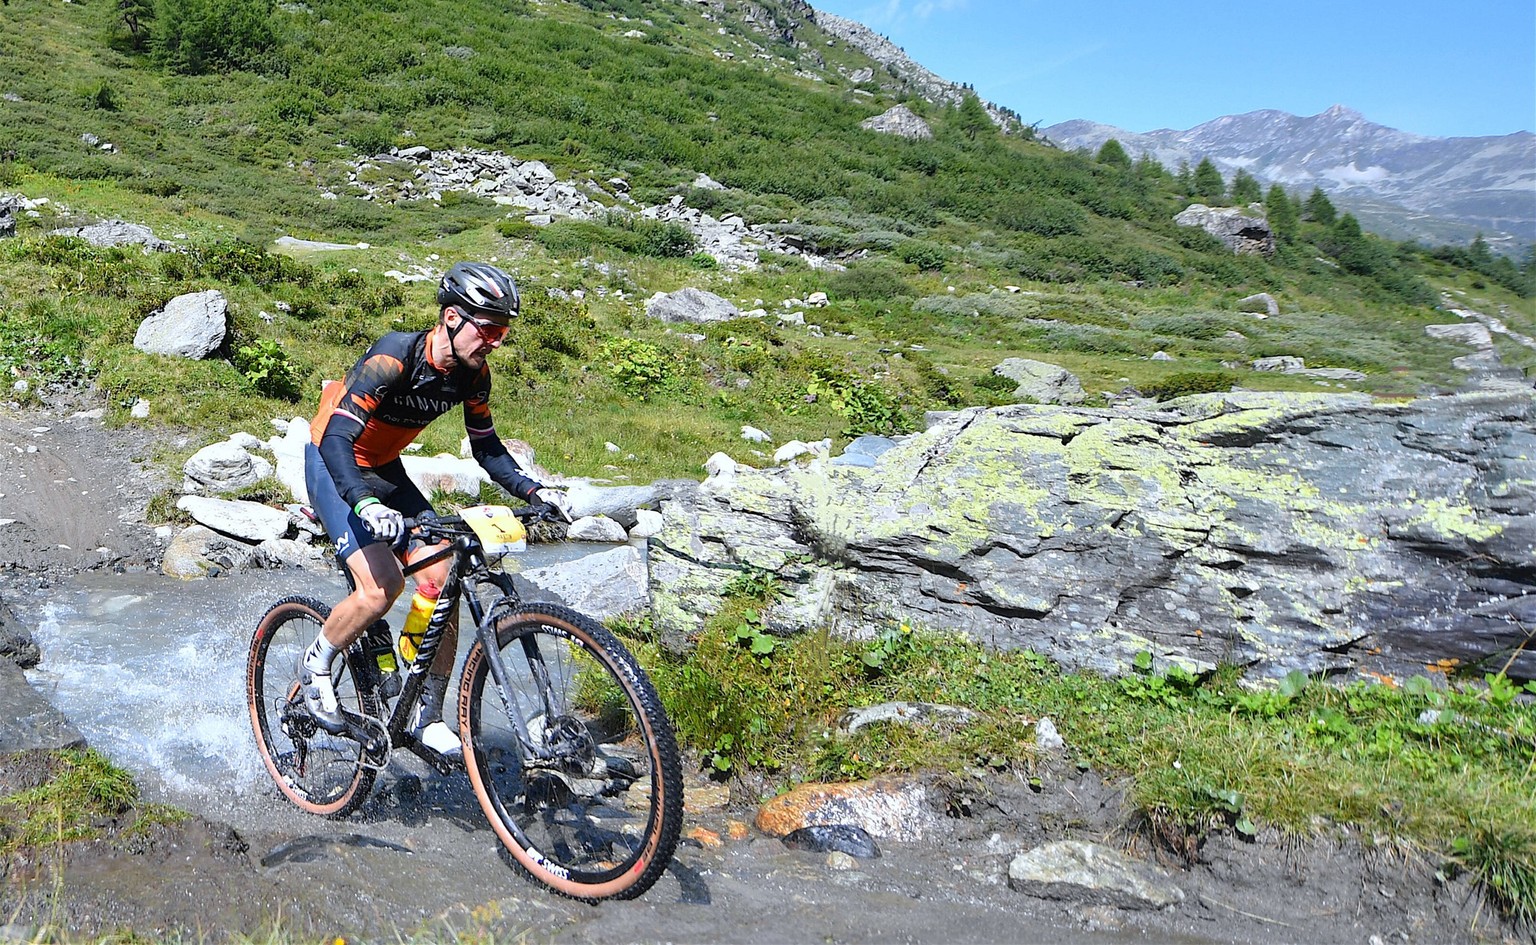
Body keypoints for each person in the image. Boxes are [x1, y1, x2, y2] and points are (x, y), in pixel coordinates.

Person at [300, 261, 572, 757]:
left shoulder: (473, 375)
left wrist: (535, 493)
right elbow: (338, 436)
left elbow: (486, 447)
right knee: (382, 588)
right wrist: (361, 501)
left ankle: (424, 708)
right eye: (487, 329)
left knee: (443, 577)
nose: (494, 341)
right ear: (451, 318)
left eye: (502, 332)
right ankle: (316, 665)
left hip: (384, 466)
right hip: (333, 460)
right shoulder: (394, 356)